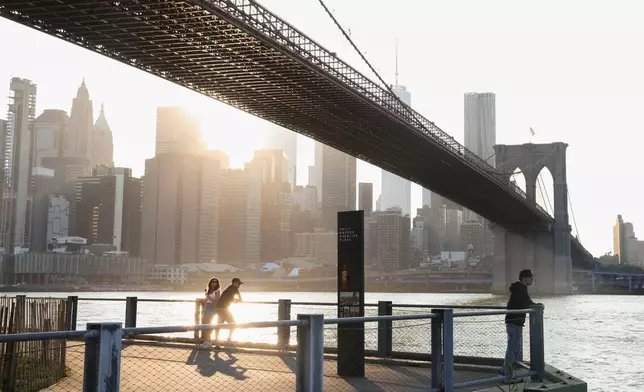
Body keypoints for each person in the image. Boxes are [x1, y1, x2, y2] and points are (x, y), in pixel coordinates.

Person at [502, 269, 541, 376]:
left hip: (514, 322)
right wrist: (535, 306)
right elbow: (524, 303)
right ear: (524, 278)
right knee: (512, 349)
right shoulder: (520, 289)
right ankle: (506, 373)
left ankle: (507, 372)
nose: (532, 279)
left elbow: (526, 301)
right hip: (514, 323)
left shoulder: (519, 288)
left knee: (513, 348)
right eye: (530, 277)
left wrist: (533, 304)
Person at [215, 278, 244, 345]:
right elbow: (241, 300)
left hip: (218, 308)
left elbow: (226, 297)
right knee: (233, 324)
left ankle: (216, 341)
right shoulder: (235, 289)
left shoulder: (228, 288)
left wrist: (232, 299)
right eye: (238, 284)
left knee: (219, 324)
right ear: (234, 283)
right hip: (224, 309)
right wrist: (234, 300)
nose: (239, 285)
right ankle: (228, 340)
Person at [201, 277, 221, 349]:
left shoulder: (217, 291)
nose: (214, 283)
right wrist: (205, 299)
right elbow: (206, 300)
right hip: (207, 306)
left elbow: (216, 301)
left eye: (216, 282)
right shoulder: (209, 291)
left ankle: (208, 342)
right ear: (210, 283)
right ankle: (206, 341)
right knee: (205, 325)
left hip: (212, 307)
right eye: (213, 282)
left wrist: (207, 296)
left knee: (208, 325)